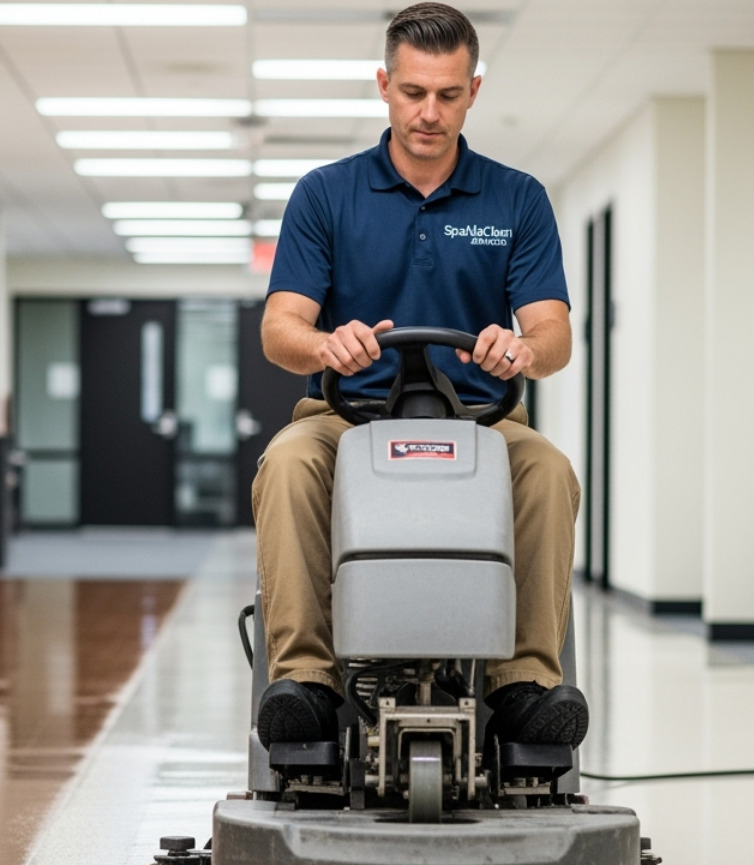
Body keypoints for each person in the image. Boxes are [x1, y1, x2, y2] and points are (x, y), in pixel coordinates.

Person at [252, 2, 588, 752]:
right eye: (413, 92)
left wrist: (522, 350)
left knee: (548, 470)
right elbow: (280, 329)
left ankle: (522, 686)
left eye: (447, 94)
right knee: (287, 464)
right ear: (384, 86)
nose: (429, 113)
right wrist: (325, 344)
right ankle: (306, 682)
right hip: (347, 417)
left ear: (474, 92)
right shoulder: (326, 195)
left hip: (482, 422)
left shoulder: (517, 199)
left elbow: (555, 333)